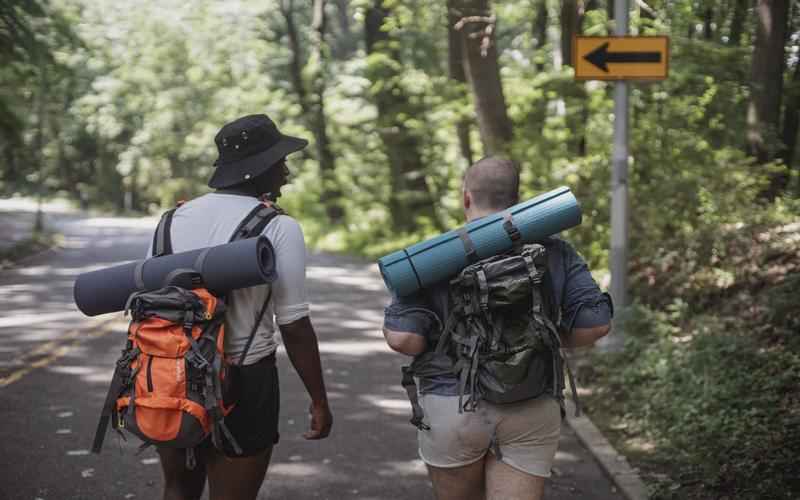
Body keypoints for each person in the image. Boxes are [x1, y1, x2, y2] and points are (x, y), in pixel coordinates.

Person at [382, 157, 612, 500]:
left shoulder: (433, 259)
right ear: (519, 203)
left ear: (465, 198)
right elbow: (595, 326)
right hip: (533, 403)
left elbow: (405, 339)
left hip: (454, 404)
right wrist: (547, 335)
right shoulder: (557, 251)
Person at [152, 114, 333, 500]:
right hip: (245, 381)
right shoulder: (278, 227)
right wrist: (318, 399)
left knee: (177, 491)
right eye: (281, 162)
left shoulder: (171, 220)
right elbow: (294, 323)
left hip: (172, 373)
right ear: (260, 169)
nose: (286, 173)